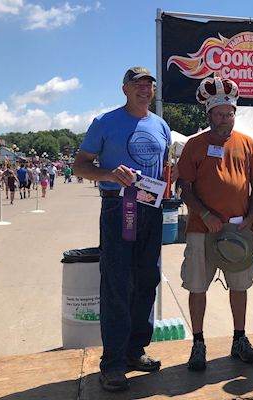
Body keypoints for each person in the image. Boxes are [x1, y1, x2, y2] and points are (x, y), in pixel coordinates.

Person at [73, 66, 171, 392]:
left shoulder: (161, 126)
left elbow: (166, 167)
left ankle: (134, 351)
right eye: (138, 85)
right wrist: (110, 174)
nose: (144, 90)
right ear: (125, 89)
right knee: (117, 284)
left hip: (152, 210)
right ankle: (112, 363)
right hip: (118, 208)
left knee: (147, 281)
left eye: (149, 85)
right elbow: (80, 165)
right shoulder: (106, 122)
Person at [177, 77, 253, 371]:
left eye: (230, 113)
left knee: (240, 286)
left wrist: (252, 217)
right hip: (202, 231)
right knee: (197, 286)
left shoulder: (247, 144)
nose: (225, 118)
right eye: (219, 113)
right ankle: (198, 343)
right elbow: (184, 187)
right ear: (209, 114)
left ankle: (239, 339)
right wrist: (204, 215)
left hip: (238, 231)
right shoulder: (194, 145)